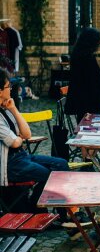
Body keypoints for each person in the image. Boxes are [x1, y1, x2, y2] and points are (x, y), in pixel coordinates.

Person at [0, 68, 72, 219]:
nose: (11, 89)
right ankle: (37, 210)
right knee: (48, 175)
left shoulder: (6, 109)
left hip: (22, 156)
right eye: (8, 86)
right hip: (8, 165)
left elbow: (26, 134)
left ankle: (64, 213)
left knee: (61, 164)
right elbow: (13, 142)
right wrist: (17, 138)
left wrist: (13, 109)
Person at [65, 27, 100, 123]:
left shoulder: (77, 56)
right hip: (92, 104)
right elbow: (94, 83)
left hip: (82, 102)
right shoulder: (87, 58)